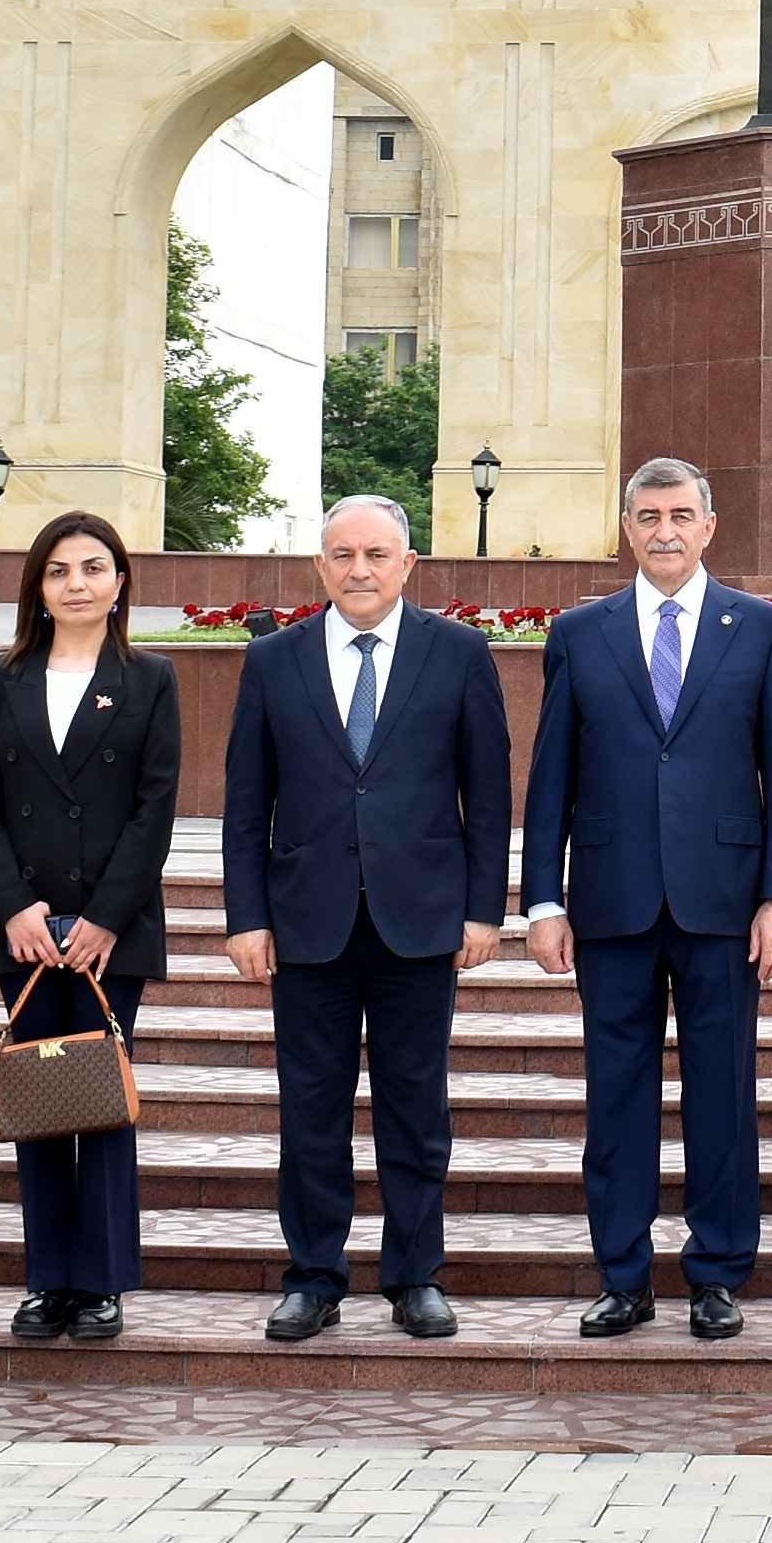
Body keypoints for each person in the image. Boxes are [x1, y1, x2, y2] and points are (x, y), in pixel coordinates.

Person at [522, 457, 772, 1342]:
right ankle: (624, 1274)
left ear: (710, 525)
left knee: (723, 1095)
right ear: (627, 527)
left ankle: (718, 1271)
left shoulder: (760, 629)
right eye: (647, 516)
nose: (665, 531)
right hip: (611, 905)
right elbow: (550, 779)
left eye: (681, 514)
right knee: (617, 1098)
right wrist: (542, 900)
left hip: (726, 908)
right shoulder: (581, 633)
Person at [220, 494, 509, 1342]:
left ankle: (415, 1275)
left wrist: (483, 909)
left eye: (376, 555)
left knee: (416, 1106)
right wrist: (245, 916)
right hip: (306, 923)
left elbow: (486, 796)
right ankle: (313, 1276)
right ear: (320, 565)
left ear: (407, 565)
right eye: (342, 555)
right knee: (310, 1107)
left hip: (419, 920)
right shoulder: (274, 660)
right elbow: (245, 803)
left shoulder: (457, 653)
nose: (359, 571)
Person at [0, 508, 183, 1343]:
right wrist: (12, 905)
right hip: (22, 927)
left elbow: (155, 808)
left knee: (100, 1097)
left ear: (119, 581)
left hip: (108, 931)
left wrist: (103, 919)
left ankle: (102, 1282)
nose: (77, 584)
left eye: (93, 568)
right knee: (39, 1097)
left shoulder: (151, 677)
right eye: (59, 571)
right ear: (39, 587)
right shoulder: (4, 676)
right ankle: (47, 1278)